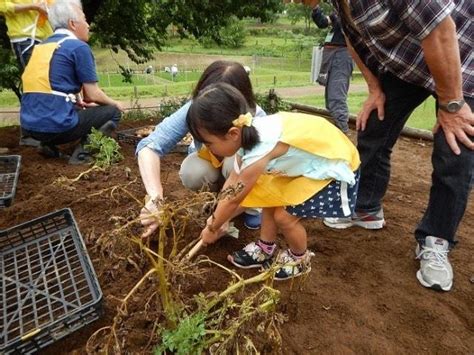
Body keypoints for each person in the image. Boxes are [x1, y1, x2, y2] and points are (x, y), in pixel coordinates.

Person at [324, 0, 473, 291]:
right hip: (414, 58)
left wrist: (451, 105)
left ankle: (436, 239)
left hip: (462, 52)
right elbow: (353, 37)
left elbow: (441, 29)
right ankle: (365, 207)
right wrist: (374, 89)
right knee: (375, 123)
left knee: (455, 147)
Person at [187, 82, 361, 280]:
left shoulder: (259, 151)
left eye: (209, 144)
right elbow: (232, 183)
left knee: (284, 217)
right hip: (308, 159)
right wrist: (218, 217)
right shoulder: (245, 135)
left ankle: (299, 259)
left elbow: (235, 199)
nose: (209, 150)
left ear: (232, 134)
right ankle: (265, 248)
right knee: (269, 195)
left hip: (333, 162)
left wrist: (213, 228)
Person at [138, 61, 265, 238]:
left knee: (235, 164)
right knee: (193, 171)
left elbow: (265, 175)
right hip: (215, 167)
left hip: (246, 175)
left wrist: (223, 216)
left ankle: (251, 207)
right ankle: (218, 201)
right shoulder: (197, 109)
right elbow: (149, 147)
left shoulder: (255, 119)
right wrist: (155, 198)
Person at [19, 0, 123, 164]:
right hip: (56, 127)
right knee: (113, 112)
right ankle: (82, 155)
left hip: (29, 127)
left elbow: (53, 88)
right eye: (85, 20)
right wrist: (116, 103)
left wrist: (79, 103)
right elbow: (93, 93)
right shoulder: (77, 47)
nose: (88, 25)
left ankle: (46, 146)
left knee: (74, 109)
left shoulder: (41, 47)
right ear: (72, 24)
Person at [0, 0, 54, 146]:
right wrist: (32, 6)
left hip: (45, 37)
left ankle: (42, 131)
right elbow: (3, 6)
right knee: (33, 85)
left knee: (44, 84)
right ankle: (29, 134)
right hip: (24, 37)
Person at [311, 0, 353, 133]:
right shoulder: (338, 12)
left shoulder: (354, 11)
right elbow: (323, 22)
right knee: (330, 102)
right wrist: (314, 7)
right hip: (332, 55)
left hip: (342, 55)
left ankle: (344, 133)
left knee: (336, 99)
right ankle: (340, 131)